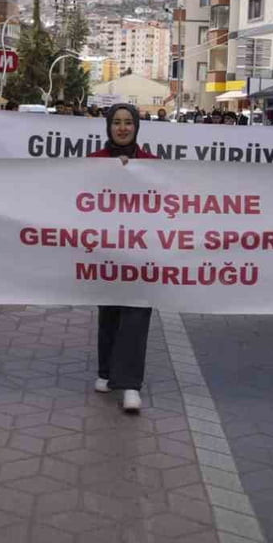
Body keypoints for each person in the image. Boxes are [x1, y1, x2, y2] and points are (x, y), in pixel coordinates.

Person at [88, 103, 157, 413]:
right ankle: (106, 371)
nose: (122, 128)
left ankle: (129, 384)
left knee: (136, 312)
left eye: (128, 122)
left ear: (137, 127)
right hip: (106, 250)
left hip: (142, 252)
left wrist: (135, 173)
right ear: (108, 127)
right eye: (116, 122)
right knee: (110, 312)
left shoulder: (153, 164)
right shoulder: (94, 162)